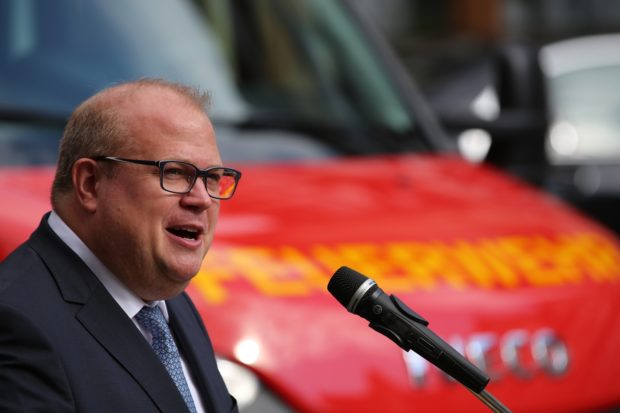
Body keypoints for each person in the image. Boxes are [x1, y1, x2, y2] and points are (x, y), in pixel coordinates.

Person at [0, 79, 241, 412]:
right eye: (174, 172)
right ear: (90, 184)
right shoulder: (17, 321)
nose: (202, 199)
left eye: (212, 178)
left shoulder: (170, 303)